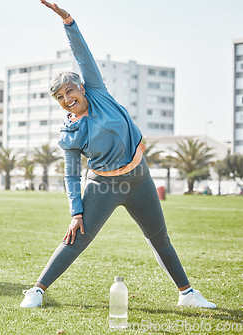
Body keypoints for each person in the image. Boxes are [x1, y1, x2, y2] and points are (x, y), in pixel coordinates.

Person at [20, 1, 216, 309]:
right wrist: (76, 211)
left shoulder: (98, 92)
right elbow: (70, 174)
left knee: (159, 237)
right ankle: (37, 290)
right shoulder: (69, 134)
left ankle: (187, 294)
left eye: (70, 91)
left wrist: (68, 21)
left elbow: (82, 55)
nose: (67, 99)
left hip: (139, 179)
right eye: (60, 97)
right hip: (103, 186)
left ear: (81, 88)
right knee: (78, 238)